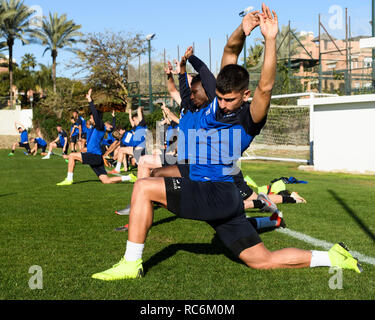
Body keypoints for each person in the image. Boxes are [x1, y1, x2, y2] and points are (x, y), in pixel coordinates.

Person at [92, 5, 362, 281]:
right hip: (222, 197)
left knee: (144, 187)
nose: (221, 104)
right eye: (219, 97)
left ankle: (130, 263)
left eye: (228, 99)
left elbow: (265, 88)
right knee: (262, 260)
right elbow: (230, 52)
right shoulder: (216, 101)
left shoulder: (248, 118)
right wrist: (243, 30)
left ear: (245, 95)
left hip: (214, 192)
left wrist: (270, 39)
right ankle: (332, 256)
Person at [56, 89, 135, 186]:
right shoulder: (95, 128)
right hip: (97, 157)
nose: (90, 119)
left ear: (96, 117)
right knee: (106, 180)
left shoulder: (100, 126)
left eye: (91, 117)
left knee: (72, 156)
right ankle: (129, 177)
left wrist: (90, 100)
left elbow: (95, 114)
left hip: (95, 156)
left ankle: (69, 179)